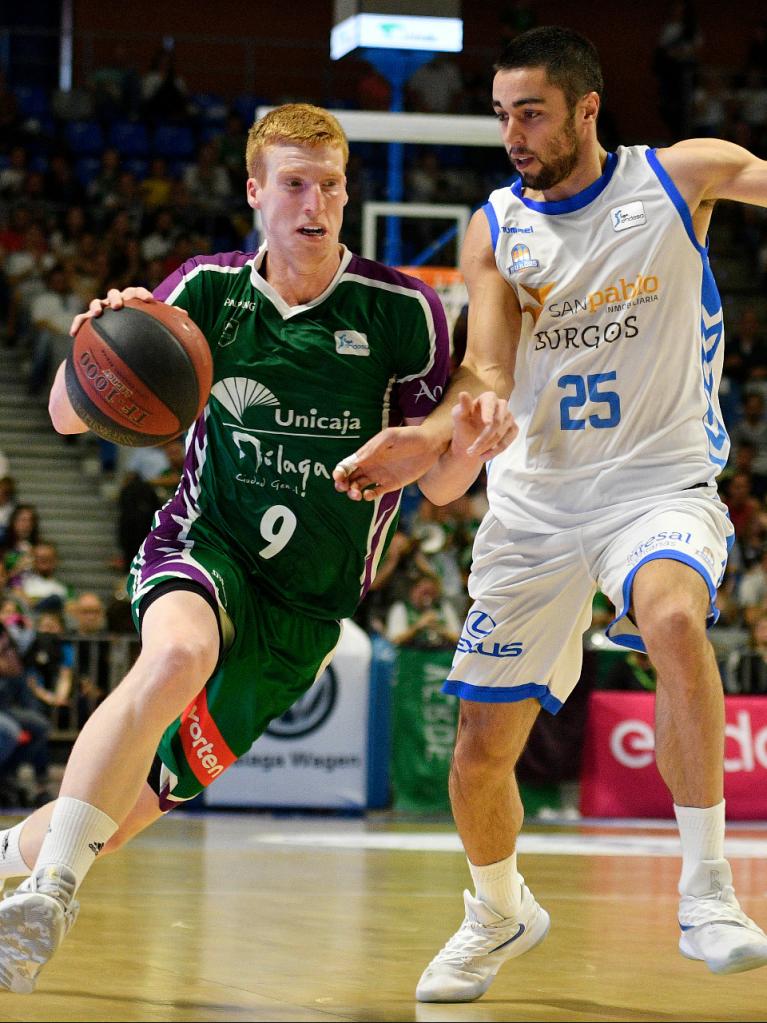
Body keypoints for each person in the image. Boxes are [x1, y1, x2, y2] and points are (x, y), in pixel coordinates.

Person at [0, 102, 514, 995]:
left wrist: (463, 439)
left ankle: (21, 857)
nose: (314, 202)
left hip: (304, 610)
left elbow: (436, 488)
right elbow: (61, 417)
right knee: (177, 654)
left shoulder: (403, 311)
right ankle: (47, 897)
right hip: (207, 546)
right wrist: (98, 339)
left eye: (330, 185)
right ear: (254, 193)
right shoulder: (205, 290)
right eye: (293, 184)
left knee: (116, 817)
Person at [333, 24, 767, 1000]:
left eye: (529, 112)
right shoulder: (495, 221)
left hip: (653, 484)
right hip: (532, 509)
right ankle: (496, 910)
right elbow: (486, 366)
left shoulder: (677, 176)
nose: (512, 133)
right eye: (500, 115)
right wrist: (441, 425)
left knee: (666, 616)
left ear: (584, 108)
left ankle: (705, 888)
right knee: (480, 755)